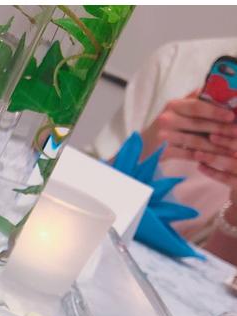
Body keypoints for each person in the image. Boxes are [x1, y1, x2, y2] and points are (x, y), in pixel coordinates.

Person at [94, 37, 237, 265]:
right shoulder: (176, 62)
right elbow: (82, 193)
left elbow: (218, 280)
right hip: (92, 246)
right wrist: (143, 147)